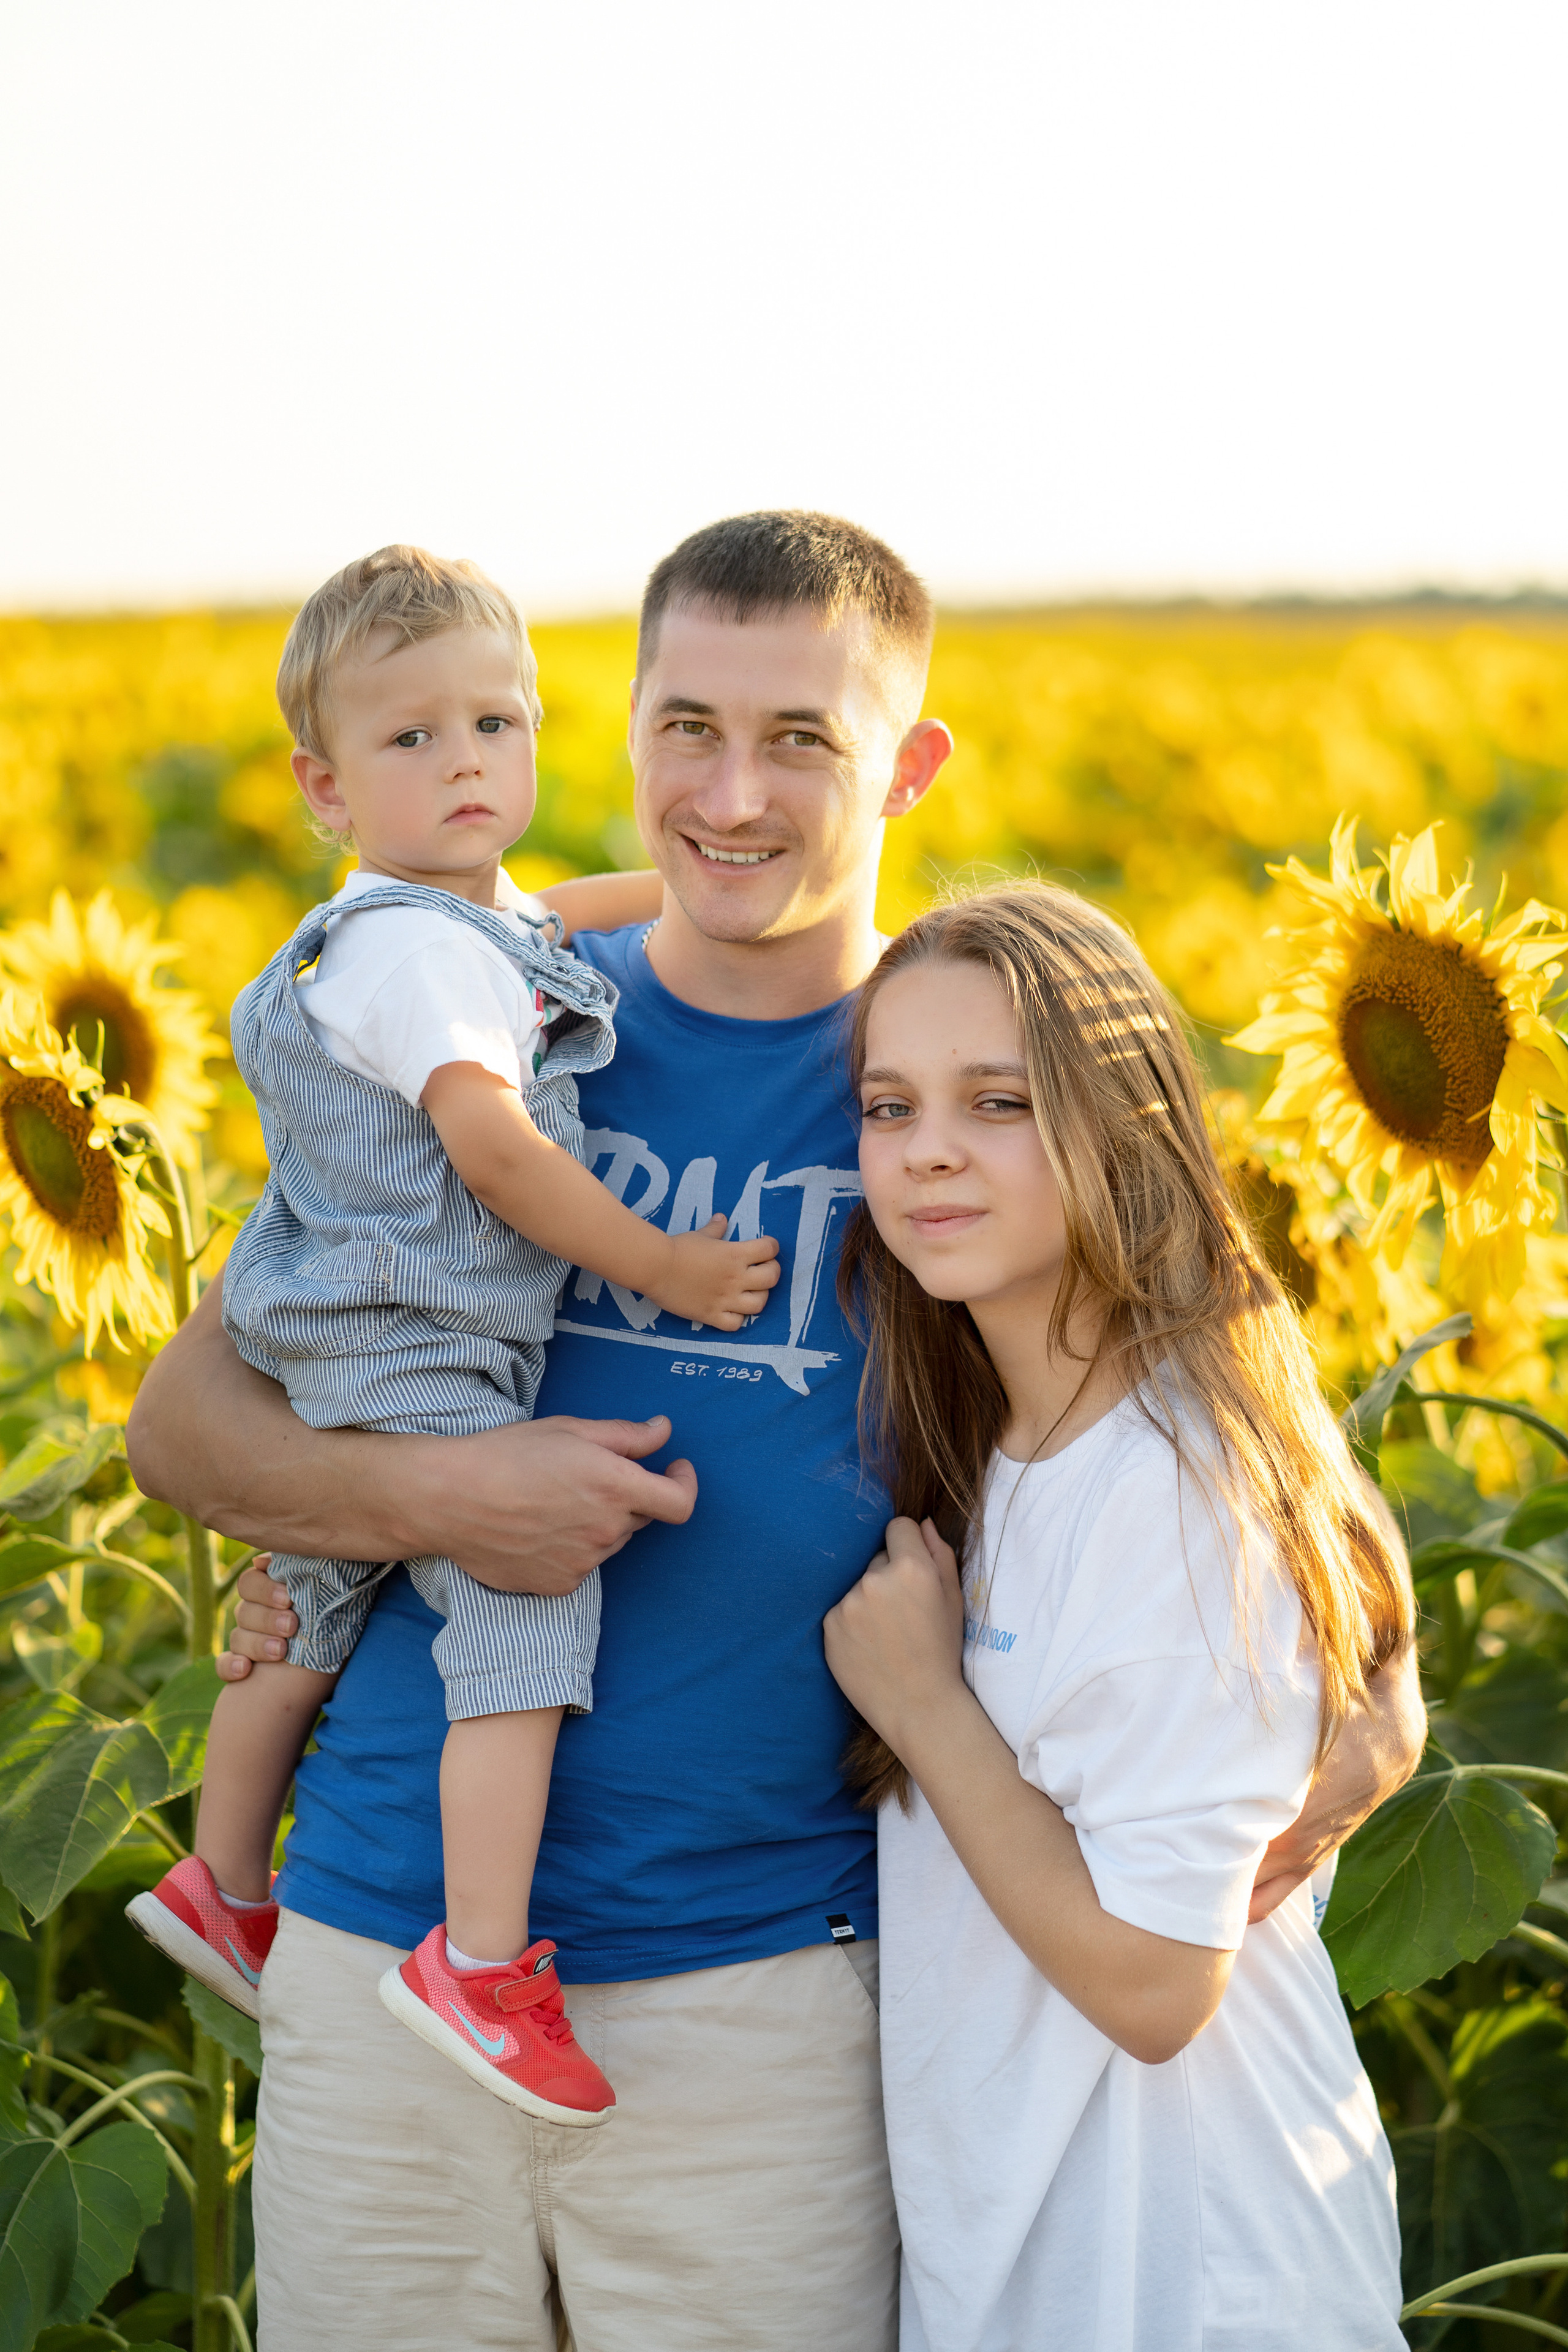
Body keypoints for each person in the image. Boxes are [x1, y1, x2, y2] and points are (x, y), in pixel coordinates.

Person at [128, 512, 1426, 2352]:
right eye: (687, 730)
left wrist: (1380, 1670)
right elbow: (185, 1425)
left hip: (765, 1995)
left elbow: (1233, 1391)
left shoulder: (962, 1075)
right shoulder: (481, 1018)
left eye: (802, 740)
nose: (733, 796)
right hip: (378, 1940)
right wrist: (446, 1496)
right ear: (628, 729)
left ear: (907, 764)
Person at [127, 546, 777, 2127]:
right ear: (325, 786)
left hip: (335, 1325)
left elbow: (560, 917)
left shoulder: (438, 922)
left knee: (321, 1591)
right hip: (419, 1335)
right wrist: (664, 1268)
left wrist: (708, 896)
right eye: (413, 740)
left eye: (496, 723)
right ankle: (480, 1965)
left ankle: (219, 1881)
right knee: (524, 1608)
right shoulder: (421, 958)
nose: (467, 761)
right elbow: (495, 1152)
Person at [823, 884, 1413, 2352]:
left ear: (1121, 1118)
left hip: (1191, 2277)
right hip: (1049, 2258)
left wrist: (926, 1711)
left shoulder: (1170, 1486)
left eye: (999, 1102)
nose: (928, 1151)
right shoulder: (1013, 1440)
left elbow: (1156, 1985)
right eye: (886, 1105)